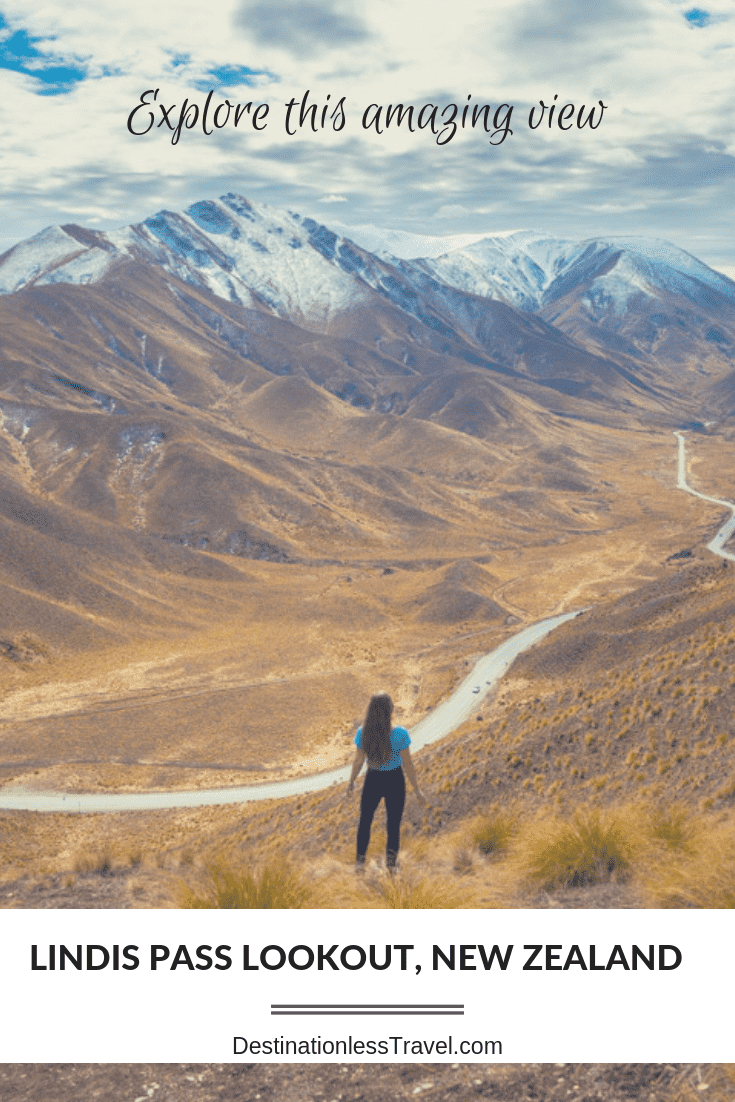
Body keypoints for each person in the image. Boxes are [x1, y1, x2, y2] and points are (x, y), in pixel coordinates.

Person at [347, 691, 425, 869]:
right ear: (391, 710)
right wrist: (417, 789)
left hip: (372, 779)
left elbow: (358, 760)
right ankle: (391, 867)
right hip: (394, 781)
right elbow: (408, 764)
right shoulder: (400, 733)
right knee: (393, 825)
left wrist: (351, 781)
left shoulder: (363, 732)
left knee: (365, 822)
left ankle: (359, 865)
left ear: (371, 710)